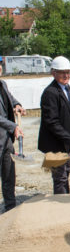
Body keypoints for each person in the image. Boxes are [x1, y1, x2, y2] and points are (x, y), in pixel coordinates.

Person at [38, 56, 70, 194]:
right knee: (60, 177)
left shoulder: (66, 88)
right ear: (53, 73)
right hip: (54, 144)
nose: (66, 75)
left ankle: (64, 201)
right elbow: (52, 122)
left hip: (63, 142)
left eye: (68, 72)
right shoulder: (50, 93)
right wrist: (69, 139)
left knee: (65, 172)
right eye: (62, 72)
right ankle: (60, 206)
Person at [0, 56, 26, 211]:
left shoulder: (2, 84)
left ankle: (10, 209)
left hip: (6, 140)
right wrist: (13, 126)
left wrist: (17, 105)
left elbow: (10, 98)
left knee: (9, 175)